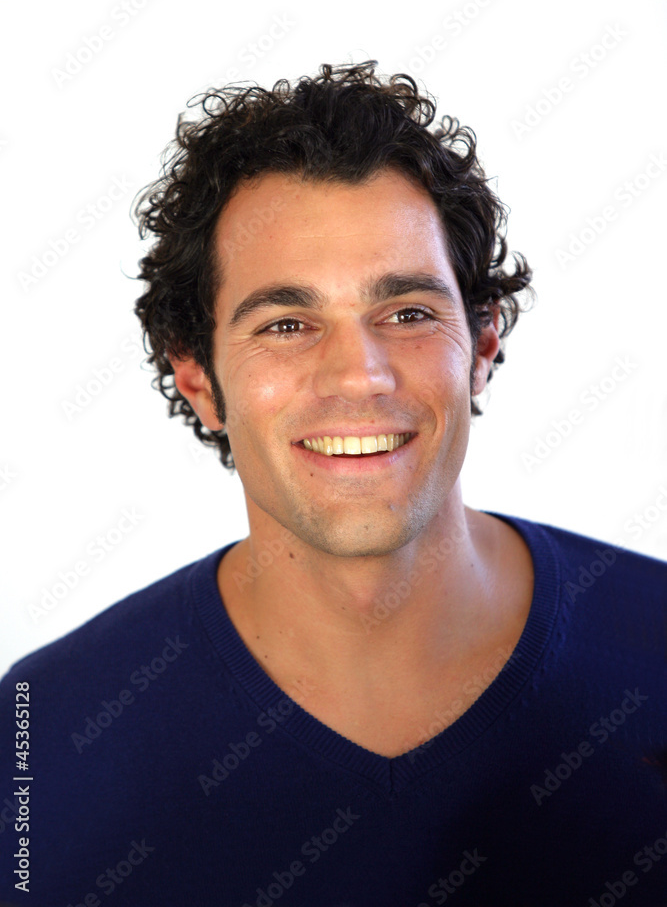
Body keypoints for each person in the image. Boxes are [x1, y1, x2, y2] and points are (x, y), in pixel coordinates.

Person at [1, 60, 665, 907]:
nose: (359, 374)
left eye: (408, 313)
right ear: (198, 379)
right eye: (286, 323)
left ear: (481, 345)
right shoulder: (41, 740)